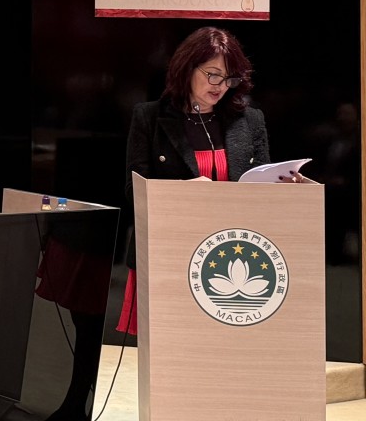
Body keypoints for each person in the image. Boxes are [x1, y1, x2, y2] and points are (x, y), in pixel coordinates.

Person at [118, 26, 309, 335]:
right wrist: (184, 191)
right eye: (213, 75)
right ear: (187, 68)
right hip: (171, 250)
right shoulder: (149, 118)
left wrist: (283, 188)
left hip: (234, 252)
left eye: (230, 78)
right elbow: (133, 191)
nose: (221, 86)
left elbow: (261, 182)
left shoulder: (250, 120)